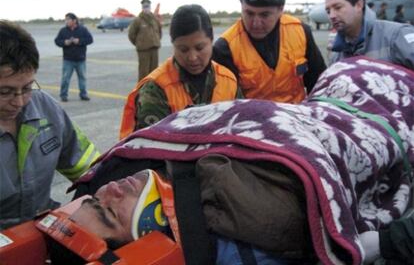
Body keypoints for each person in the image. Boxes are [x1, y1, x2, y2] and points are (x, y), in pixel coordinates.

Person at [46, 55, 414, 265]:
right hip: (370, 117)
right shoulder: (257, 217)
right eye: (109, 211)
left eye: (96, 198)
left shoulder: (144, 163)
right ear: (145, 239)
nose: (109, 189)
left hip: (328, 98)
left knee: (341, 76)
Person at [0, 20, 100, 230]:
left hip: (42, 231)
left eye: (27, 88)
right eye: (5, 92)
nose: (19, 102)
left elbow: (87, 166)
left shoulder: (45, 107)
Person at [119, 4, 243, 138]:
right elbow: (150, 149)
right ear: (173, 45)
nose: (192, 57)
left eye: (200, 48)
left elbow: (241, 129)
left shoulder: (228, 80)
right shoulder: (156, 89)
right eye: (183, 49)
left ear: (211, 41)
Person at [213, 0, 326, 103]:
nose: (256, 23)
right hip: (252, 119)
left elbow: (319, 83)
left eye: (264, 15)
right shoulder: (225, 47)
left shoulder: (300, 31)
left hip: (297, 116)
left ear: (280, 10)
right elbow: (227, 103)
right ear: (241, 5)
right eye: (249, 13)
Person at [323, 0, 414, 69]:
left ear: (359, 5)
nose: (332, 16)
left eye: (338, 7)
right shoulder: (336, 57)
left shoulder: (397, 36)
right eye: (328, 11)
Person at [54, 13, 93, 102]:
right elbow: (57, 41)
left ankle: (83, 94)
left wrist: (79, 41)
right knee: (65, 78)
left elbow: (90, 39)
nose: (66, 21)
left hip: (80, 59)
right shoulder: (63, 31)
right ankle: (63, 95)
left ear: (74, 20)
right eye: (66, 20)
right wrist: (64, 42)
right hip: (68, 59)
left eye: (68, 19)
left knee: (82, 78)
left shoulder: (83, 30)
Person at [128, 0, 162, 81]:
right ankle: (142, 90)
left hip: (154, 48)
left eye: (148, 6)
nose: (146, 8)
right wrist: (140, 43)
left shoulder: (155, 20)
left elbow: (159, 32)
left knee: (154, 72)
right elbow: (131, 35)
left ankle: (153, 90)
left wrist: (156, 40)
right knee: (144, 72)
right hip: (143, 50)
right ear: (142, 7)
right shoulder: (138, 20)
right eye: (145, 6)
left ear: (150, 7)